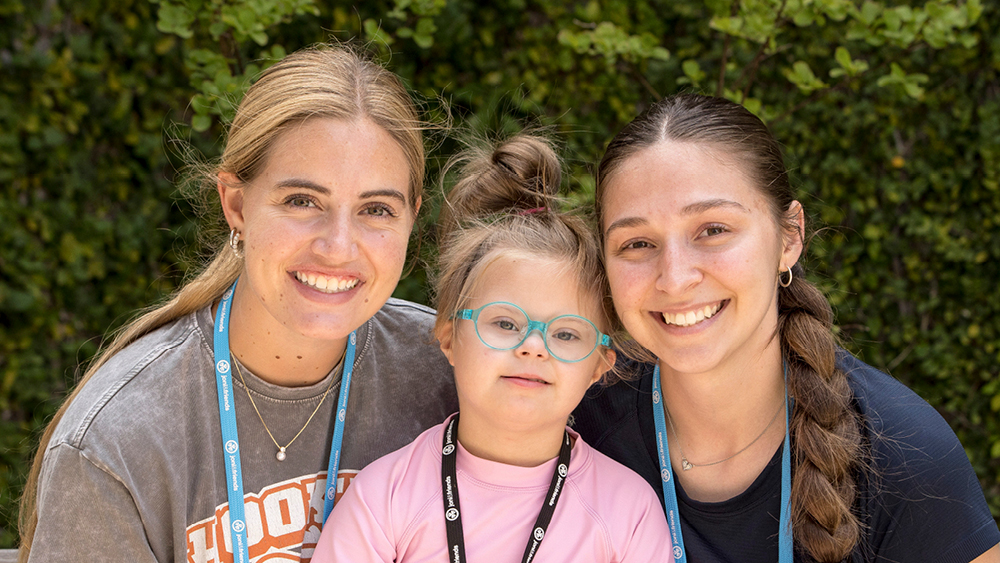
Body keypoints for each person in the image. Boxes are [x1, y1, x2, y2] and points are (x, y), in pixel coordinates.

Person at [18, 45, 459, 562]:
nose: (338, 246)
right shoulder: (120, 440)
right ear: (236, 204)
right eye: (302, 201)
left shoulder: (451, 375)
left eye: (377, 209)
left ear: (411, 218)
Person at [573, 94, 1000, 563]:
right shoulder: (574, 422)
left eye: (713, 230)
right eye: (637, 243)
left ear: (789, 237)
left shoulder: (905, 457)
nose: (675, 278)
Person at [312, 134, 673, 563]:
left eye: (566, 334)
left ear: (599, 364)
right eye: (505, 323)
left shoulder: (629, 513)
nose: (534, 347)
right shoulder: (383, 498)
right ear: (448, 336)